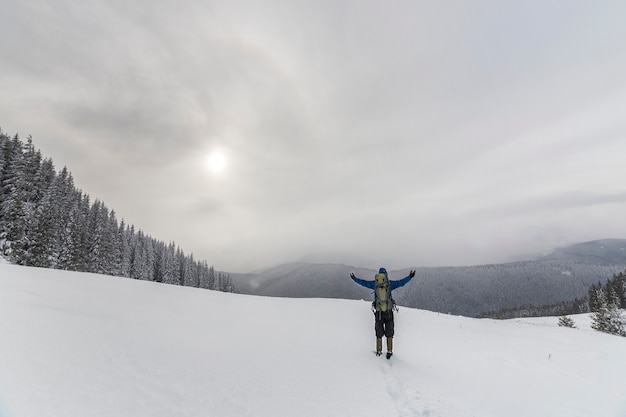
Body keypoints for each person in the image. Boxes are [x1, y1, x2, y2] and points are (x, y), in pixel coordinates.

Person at [350, 267, 415, 359]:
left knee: (379, 331)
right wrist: (410, 277)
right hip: (388, 311)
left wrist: (355, 279)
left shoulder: (374, 283)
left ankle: (379, 351)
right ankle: (389, 351)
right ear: (386, 276)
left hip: (379, 312)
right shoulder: (389, 284)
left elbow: (364, 283)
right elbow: (401, 283)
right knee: (389, 331)